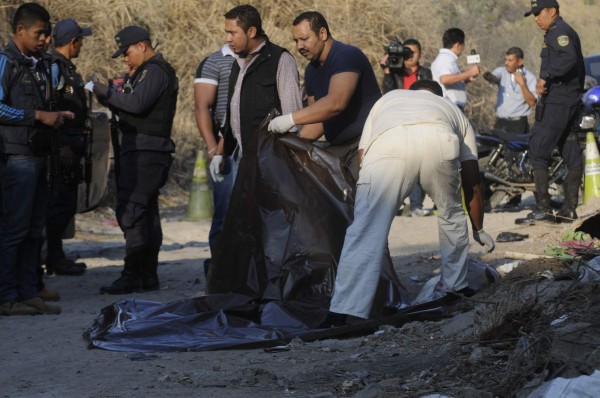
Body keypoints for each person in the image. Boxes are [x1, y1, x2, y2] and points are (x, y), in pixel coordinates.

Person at [321, 80, 495, 326]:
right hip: (440, 139)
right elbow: (472, 180)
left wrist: (373, 200)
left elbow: (363, 156)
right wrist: (478, 229)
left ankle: (344, 313)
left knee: (366, 230)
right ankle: (456, 289)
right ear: (438, 96)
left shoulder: (388, 99)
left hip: (389, 143)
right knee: (451, 215)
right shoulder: (451, 110)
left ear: (411, 93)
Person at [88, 26, 179, 294]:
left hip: (146, 152)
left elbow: (136, 105)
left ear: (141, 45)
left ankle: (133, 275)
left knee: (133, 211)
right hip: (144, 150)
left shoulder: (155, 71)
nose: (126, 59)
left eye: (127, 53)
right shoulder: (146, 72)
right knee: (145, 213)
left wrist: (104, 92)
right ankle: (147, 275)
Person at [0, 3, 74, 315]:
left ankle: (29, 291)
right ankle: (6, 297)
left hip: (40, 155)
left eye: (47, 34)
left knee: (34, 229)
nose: (44, 39)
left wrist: (56, 116)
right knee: (14, 229)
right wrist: (37, 115)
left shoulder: (40, 64)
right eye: (39, 33)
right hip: (16, 157)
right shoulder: (6, 62)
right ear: (20, 31)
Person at [268, 11, 382, 181]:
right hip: (338, 147)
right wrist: (293, 145)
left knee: (358, 200)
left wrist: (290, 119)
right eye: (296, 41)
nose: (299, 46)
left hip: (365, 143)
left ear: (322, 33)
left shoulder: (346, 55)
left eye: (304, 39)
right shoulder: (311, 71)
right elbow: (319, 120)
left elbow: (336, 103)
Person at [219, 4, 302, 172]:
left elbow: (293, 121)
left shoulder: (280, 60)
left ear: (251, 32)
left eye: (233, 33)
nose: (228, 39)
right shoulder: (237, 62)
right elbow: (233, 113)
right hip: (242, 157)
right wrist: (221, 152)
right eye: (227, 33)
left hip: (272, 161)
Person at [523, 0, 585, 223]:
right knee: (571, 153)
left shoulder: (559, 32)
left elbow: (568, 58)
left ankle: (543, 209)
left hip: (559, 101)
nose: (537, 18)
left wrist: (545, 77)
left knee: (538, 151)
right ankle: (568, 209)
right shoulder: (557, 31)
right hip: (568, 101)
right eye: (534, 14)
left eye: (540, 13)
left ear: (553, 11)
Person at [45, 18, 93, 276]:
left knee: (65, 203)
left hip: (72, 146)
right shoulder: (55, 67)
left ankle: (55, 255)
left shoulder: (66, 68)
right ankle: (52, 257)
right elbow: (49, 105)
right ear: (73, 42)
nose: (81, 45)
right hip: (62, 148)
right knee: (59, 204)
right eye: (80, 41)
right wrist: (61, 144)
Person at [194, 44, 235, 276]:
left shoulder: (260, 60)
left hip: (252, 145)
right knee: (225, 211)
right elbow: (202, 106)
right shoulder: (215, 62)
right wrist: (213, 149)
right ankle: (219, 272)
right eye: (229, 33)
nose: (230, 37)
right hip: (224, 148)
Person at [380, 38, 433, 217]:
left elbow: (429, 96)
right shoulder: (395, 72)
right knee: (397, 167)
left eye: (413, 53)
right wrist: (388, 72)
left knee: (417, 166)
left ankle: (416, 205)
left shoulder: (425, 73)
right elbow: (388, 95)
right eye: (406, 52)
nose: (409, 57)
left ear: (420, 54)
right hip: (399, 123)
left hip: (419, 123)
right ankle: (395, 205)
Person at [483, 47, 537, 134]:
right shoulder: (502, 71)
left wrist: (523, 84)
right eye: (505, 60)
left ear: (520, 62)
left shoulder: (530, 78)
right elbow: (494, 76)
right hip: (500, 123)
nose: (506, 63)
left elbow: (532, 102)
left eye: (510, 60)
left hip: (518, 125)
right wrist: (489, 76)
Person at [431, 28, 480, 109]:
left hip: (450, 106)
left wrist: (466, 78)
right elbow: (444, 79)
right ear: (458, 45)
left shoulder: (444, 58)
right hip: (450, 106)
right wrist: (469, 73)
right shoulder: (446, 58)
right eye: (463, 45)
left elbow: (451, 80)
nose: (463, 49)